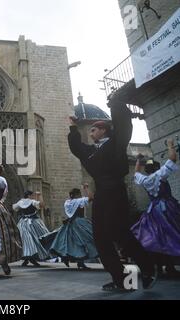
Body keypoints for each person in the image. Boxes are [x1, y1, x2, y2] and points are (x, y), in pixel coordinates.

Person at [67, 102, 156, 291]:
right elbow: (76, 147)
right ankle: (121, 279)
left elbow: (123, 125)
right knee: (100, 237)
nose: (90, 133)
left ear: (104, 130)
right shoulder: (91, 151)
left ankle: (148, 268)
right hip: (101, 194)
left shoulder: (116, 142)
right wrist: (73, 127)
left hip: (115, 190)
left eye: (93, 129)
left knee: (118, 232)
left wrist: (116, 103)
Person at [131, 139, 180, 277]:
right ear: (157, 168)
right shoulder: (160, 175)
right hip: (167, 208)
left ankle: (159, 267)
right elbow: (172, 159)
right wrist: (170, 145)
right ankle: (170, 267)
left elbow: (135, 173)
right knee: (171, 234)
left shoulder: (145, 180)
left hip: (153, 210)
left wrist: (139, 160)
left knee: (157, 237)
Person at [50, 184, 98, 270]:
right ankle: (79, 262)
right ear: (76, 195)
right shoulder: (78, 201)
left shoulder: (68, 202)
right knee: (87, 239)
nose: (81, 195)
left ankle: (77, 262)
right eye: (79, 194)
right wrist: (86, 188)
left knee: (72, 243)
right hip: (79, 223)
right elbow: (91, 197)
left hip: (70, 224)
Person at [13, 190, 52, 267]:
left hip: (23, 222)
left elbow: (15, 208)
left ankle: (27, 258)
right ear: (29, 196)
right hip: (33, 222)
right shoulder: (32, 202)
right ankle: (31, 258)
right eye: (32, 195)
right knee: (37, 239)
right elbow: (41, 205)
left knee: (25, 240)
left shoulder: (20, 202)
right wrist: (40, 196)